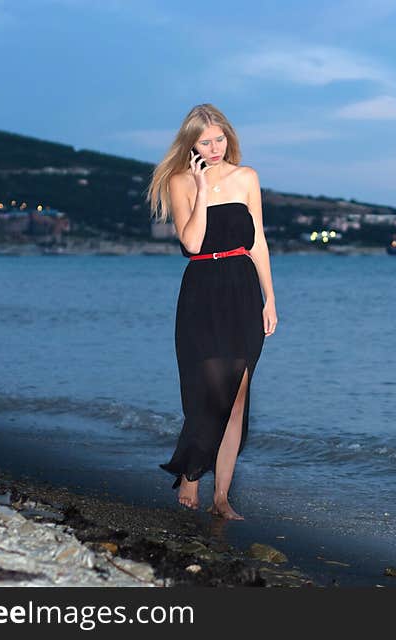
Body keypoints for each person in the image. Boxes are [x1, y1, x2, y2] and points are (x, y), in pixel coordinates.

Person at [146, 104, 278, 520]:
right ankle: (191, 472)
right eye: (205, 141)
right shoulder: (179, 181)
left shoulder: (247, 178)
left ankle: (221, 496)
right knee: (207, 395)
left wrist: (270, 298)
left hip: (242, 290)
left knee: (237, 398)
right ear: (191, 144)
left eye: (219, 139)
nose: (215, 147)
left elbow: (257, 241)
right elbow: (192, 243)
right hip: (202, 290)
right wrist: (202, 189)